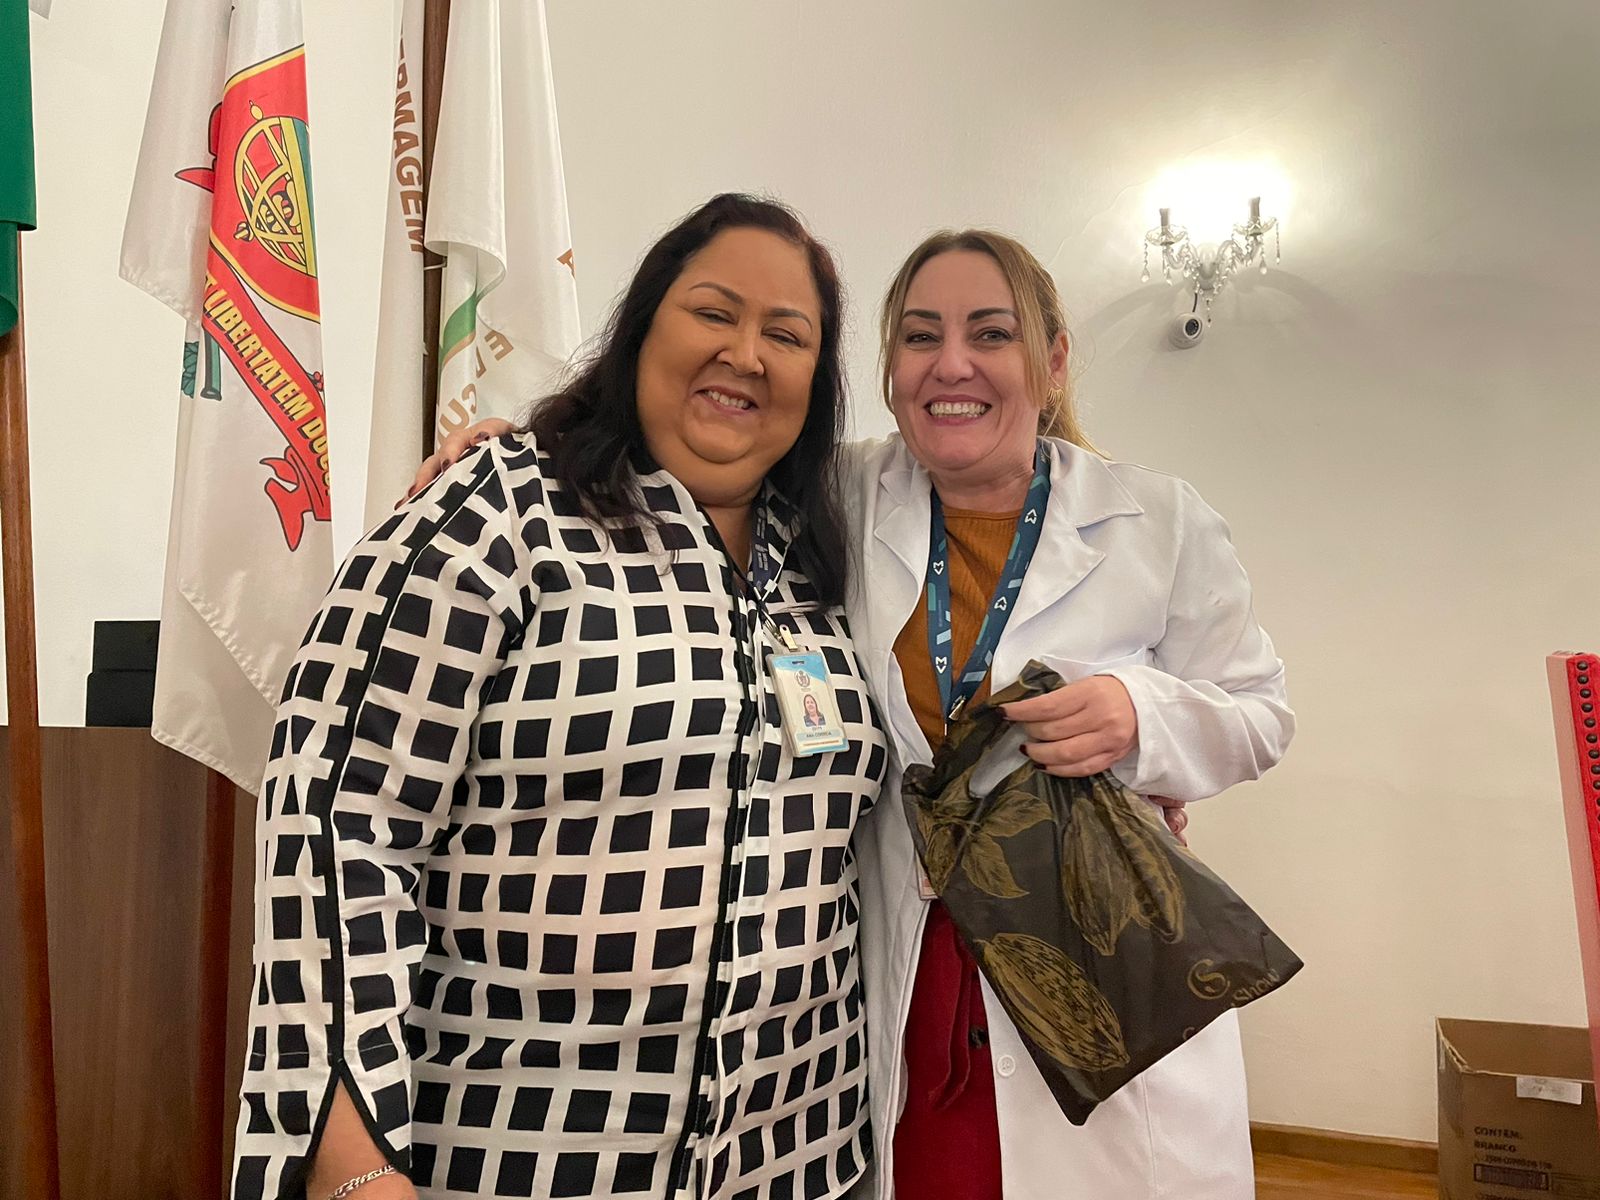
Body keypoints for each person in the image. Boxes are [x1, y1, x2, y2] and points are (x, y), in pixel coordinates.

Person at [420, 227, 1293, 1200]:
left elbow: (1259, 715)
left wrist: (1141, 719)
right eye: (920, 336)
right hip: (906, 969)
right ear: (887, 369)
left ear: (1051, 363)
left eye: (990, 333)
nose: (951, 364)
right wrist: (524, 444)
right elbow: (686, 441)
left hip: (1095, 965)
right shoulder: (838, 494)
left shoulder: (1158, 520)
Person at [232, 194, 891, 1200]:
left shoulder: (827, 558)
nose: (746, 354)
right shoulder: (498, 509)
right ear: (642, 329)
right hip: (520, 1160)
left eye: (787, 335)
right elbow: (338, 821)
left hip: (798, 1162)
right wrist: (351, 1154)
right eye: (714, 312)